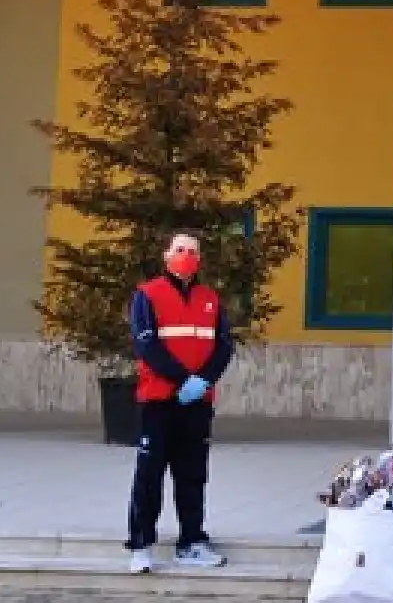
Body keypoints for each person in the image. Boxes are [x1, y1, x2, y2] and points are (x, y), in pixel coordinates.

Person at [126, 232, 234, 574]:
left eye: (192, 251)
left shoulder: (210, 300)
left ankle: (191, 542)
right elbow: (147, 345)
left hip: (197, 403)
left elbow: (224, 346)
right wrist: (182, 379)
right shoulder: (147, 295)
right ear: (166, 255)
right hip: (159, 402)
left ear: (200, 259)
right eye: (179, 249)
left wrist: (204, 379)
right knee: (149, 475)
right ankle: (141, 546)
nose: (186, 256)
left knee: (192, 476)